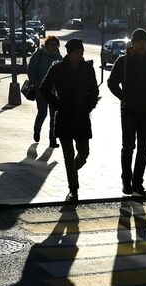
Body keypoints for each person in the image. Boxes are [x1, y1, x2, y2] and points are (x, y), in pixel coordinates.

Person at [40, 38, 99, 202]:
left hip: (81, 117)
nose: (80, 56)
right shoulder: (57, 68)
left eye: (81, 53)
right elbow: (44, 89)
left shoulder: (87, 68)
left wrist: (89, 106)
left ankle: (72, 170)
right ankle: (74, 189)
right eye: (77, 53)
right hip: (65, 117)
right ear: (70, 53)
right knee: (68, 154)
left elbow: (94, 90)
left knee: (84, 153)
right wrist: (57, 104)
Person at [108, 28, 146, 196]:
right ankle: (126, 182)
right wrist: (123, 97)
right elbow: (112, 83)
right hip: (129, 110)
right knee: (128, 147)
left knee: (143, 149)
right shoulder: (123, 61)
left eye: (144, 41)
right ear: (132, 43)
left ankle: (137, 183)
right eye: (138, 41)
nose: (141, 44)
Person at [28, 35, 62, 148]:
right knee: (42, 113)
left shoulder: (58, 56)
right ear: (46, 44)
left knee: (54, 116)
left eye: (56, 45)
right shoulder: (39, 54)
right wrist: (35, 82)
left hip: (54, 91)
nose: (54, 47)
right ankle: (37, 130)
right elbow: (31, 69)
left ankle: (52, 140)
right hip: (41, 90)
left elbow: (63, 72)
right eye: (52, 45)